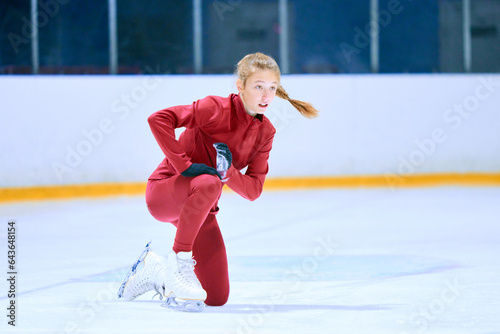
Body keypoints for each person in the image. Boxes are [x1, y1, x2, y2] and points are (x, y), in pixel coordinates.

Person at [117, 52, 319, 312]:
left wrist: (229, 173)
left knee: (216, 297)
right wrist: (185, 166)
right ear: (241, 86)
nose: (266, 96)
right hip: (164, 193)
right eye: (258, 87)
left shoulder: (265, 132)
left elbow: (254, 190)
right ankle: (179, 262)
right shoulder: (215, 108)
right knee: (210, 182)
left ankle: (155, 272)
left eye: (271, 88)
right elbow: (159, 119)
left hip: (201, 209)